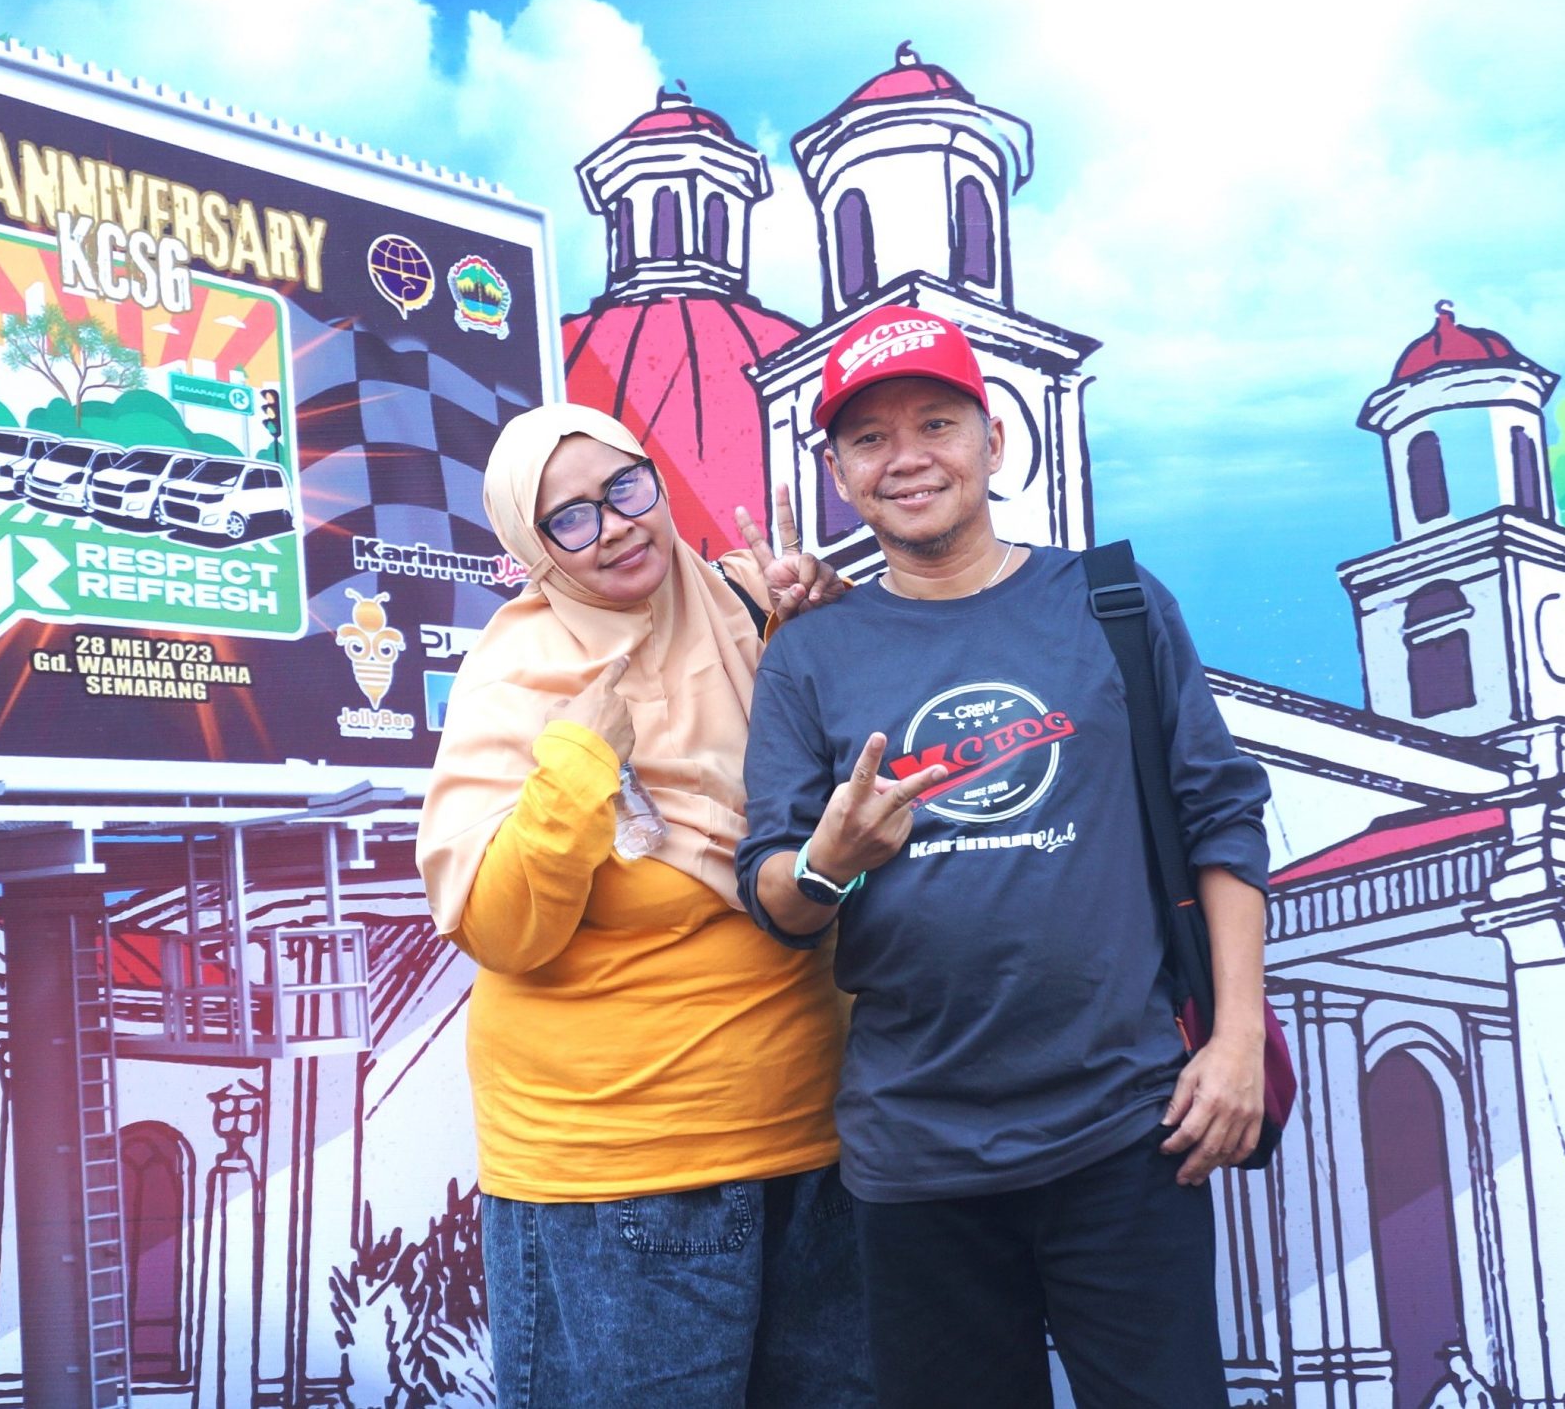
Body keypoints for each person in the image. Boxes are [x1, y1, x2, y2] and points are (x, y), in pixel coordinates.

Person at [735, 306, 1274, 1408]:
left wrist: (1235, 1042)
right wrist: (831, 859)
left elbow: (1221, 820)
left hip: (1130, 1130)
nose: (907, 458)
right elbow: (776, 897)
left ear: (994, 439)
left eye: (936, 423)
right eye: (870, 438)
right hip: (916, 1159)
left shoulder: (1112, 603)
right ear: (839, 474)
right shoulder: (810, 656)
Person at [420, 403, 870, 1409]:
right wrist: (579, 764)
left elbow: (844, 804)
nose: (616, 526)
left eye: (626, 487)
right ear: (529, 543)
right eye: (570, 517)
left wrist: (821, 633)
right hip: (621, 1172)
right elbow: (498, 929)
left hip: (821, 1141)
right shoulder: (517, 679)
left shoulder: (746, 607)